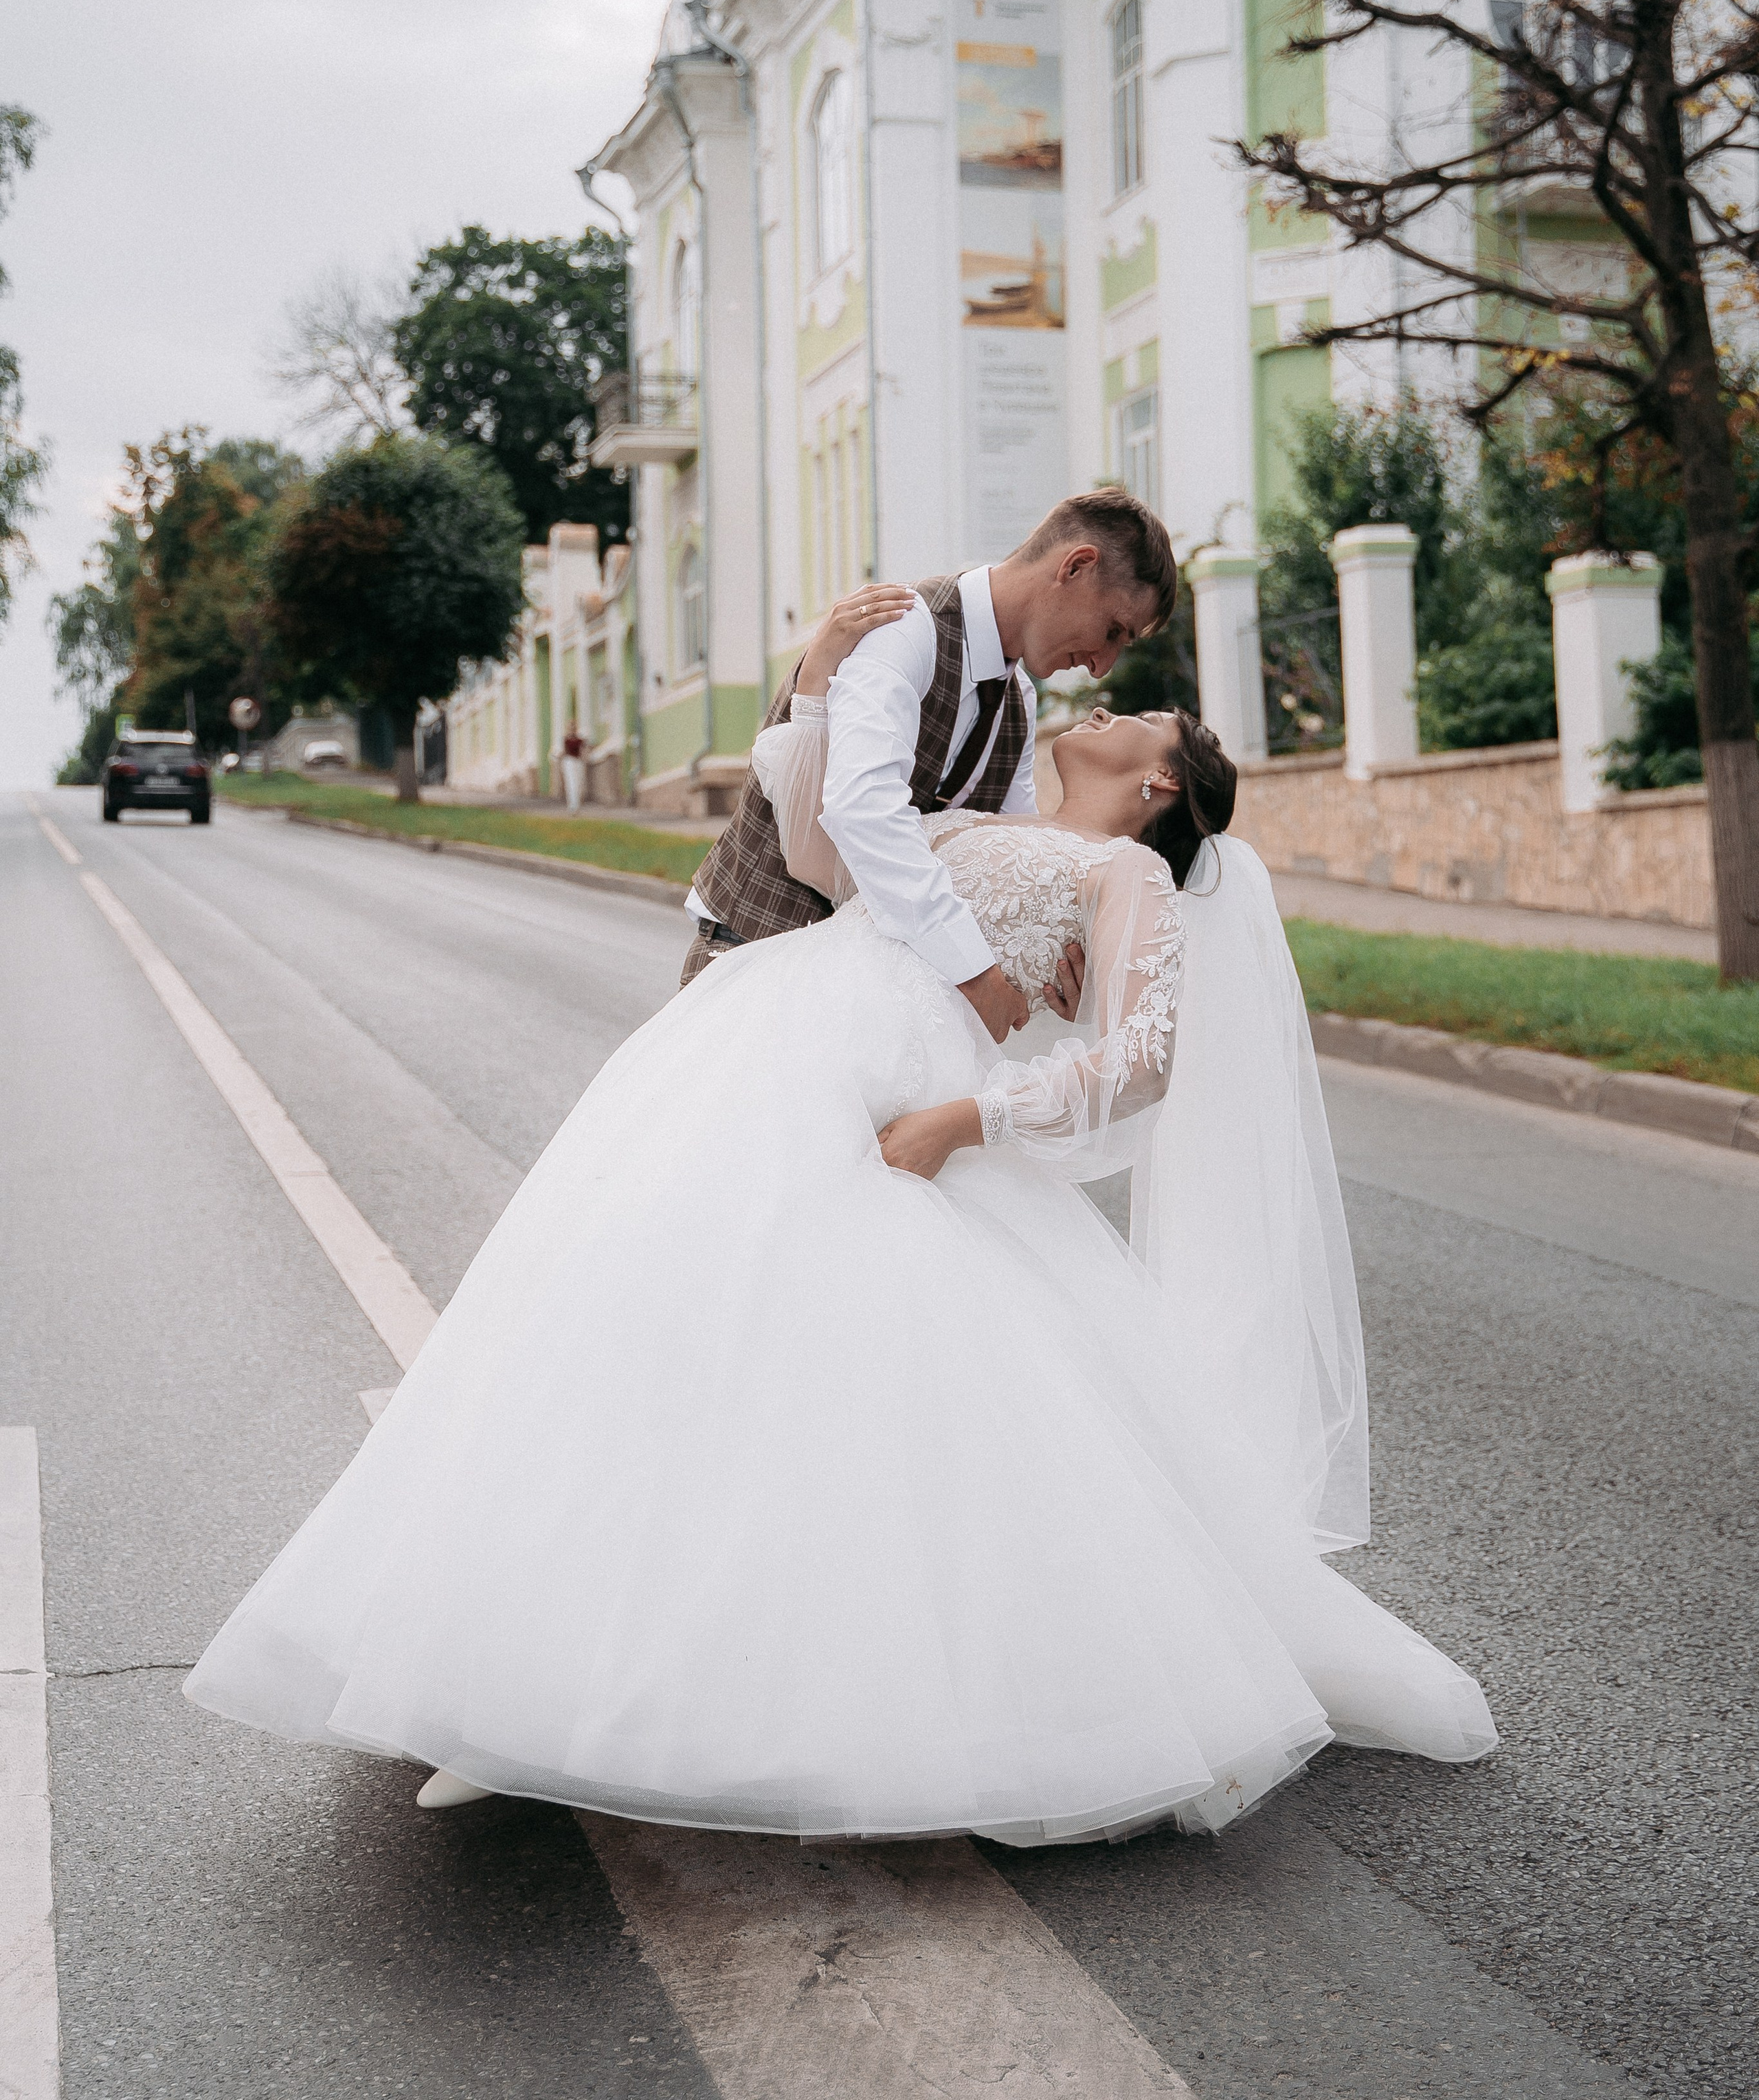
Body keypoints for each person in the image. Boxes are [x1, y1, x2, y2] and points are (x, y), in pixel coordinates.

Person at [185, 594, 1496, 1847]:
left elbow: (1141, 1062)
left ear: (1161, 787)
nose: (1111, 708)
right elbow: (820, 856)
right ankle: (519, 1683)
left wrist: (963, 1123)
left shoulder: (1121, 881)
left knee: (835, 1407)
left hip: (898, 1118)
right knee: (642, 1337)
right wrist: (814, 678)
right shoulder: (974, 809)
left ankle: (767, 1704)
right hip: (755, 1061)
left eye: (1143, 719)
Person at [680, 488, 1179, 1048]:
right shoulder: (904, 627)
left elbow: (1015, 862)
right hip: (756, 960)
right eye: (1114, 629)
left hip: (862, 1004)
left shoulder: (1018, 699)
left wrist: (1059, 964)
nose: (1102, 666)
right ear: (1076, 566)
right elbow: (862, 808)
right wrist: (975, 973)